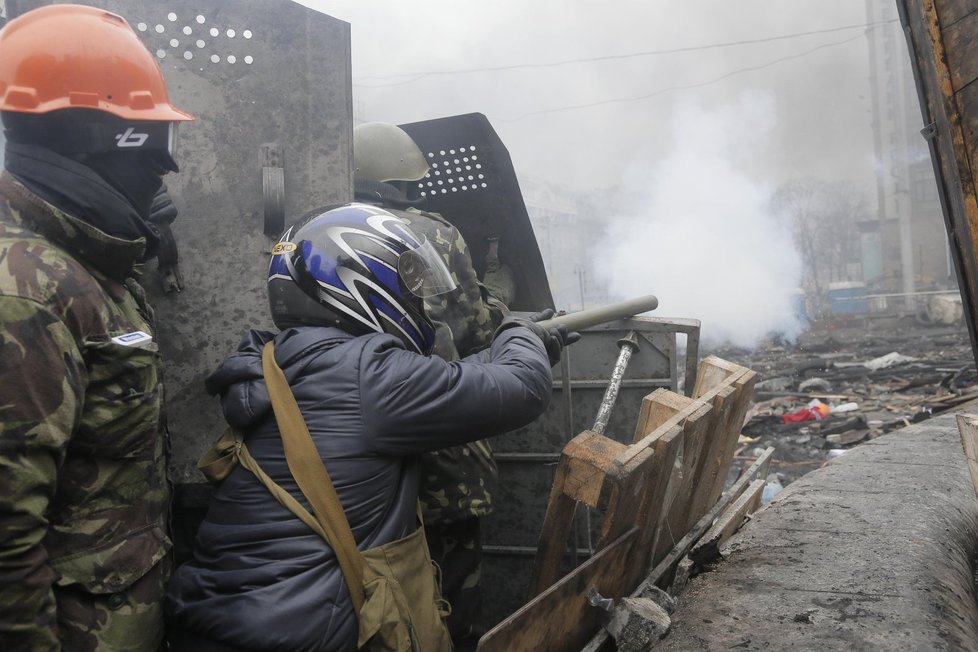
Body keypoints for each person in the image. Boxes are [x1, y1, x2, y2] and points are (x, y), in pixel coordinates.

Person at [165, 203, 573, 651]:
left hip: (233, 622)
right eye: (408, 289)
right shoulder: (368, 376)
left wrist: (513, 347)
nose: (419, 304)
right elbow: (521, 388)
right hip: (304, 633)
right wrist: (517, 334)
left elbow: (440, 384)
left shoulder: (287, 359)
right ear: (360, 283)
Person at [0, 5, 193, 650]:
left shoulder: (78, 263)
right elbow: (6, 534)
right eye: (151, 147)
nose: (164, 170)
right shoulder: (24, 295)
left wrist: (134, 242)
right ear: (97, 141)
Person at [353, 121, 519, 646]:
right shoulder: (432, 233)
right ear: (406, 183)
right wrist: (499, 294)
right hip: (440, 452)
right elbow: (472, 329)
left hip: (354, 464)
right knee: (452, 602)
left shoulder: (318, 227)